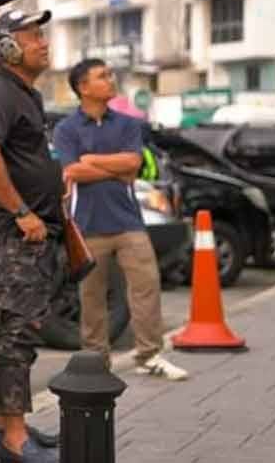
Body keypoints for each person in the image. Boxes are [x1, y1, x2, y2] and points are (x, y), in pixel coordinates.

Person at [54, 58, 189, 381]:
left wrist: (92, 161)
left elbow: (133, 164)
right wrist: (112, 168)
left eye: (110, 75)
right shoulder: (66, 129)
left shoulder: (128, 125)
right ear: (83, 87)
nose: (111, 80)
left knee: (147, 286)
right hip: (87, 225)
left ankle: (149, 355)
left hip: (129, 222)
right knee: (92, 297)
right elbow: (73, 171)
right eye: (102, 76)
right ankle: (96, 363)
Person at [0, 9, 63, 463]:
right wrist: (22, 212)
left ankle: (5, 424)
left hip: (33, 230)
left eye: (42, 35)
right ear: (6, 47)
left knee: (19, 329)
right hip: (14, 231)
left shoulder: (25, 93)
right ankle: (14, 438)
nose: (43, 43)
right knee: (19, 332)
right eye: (32, 36)